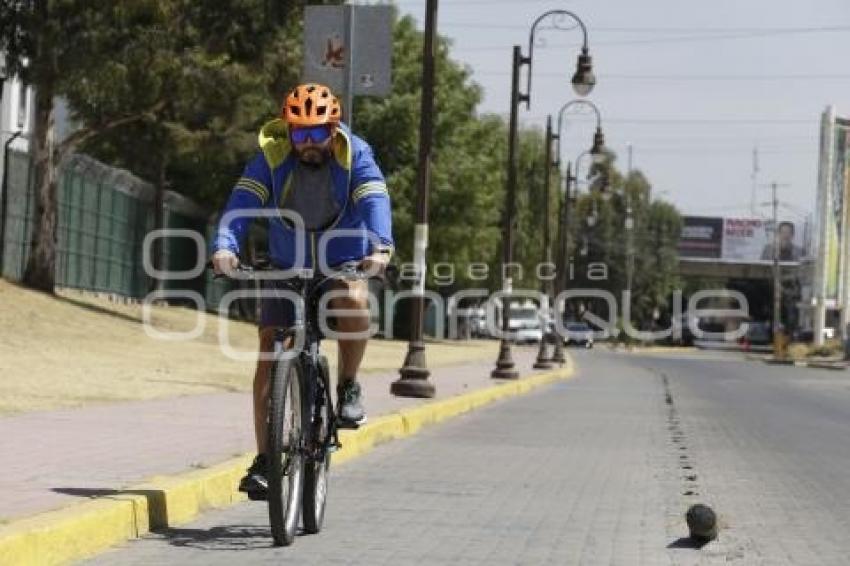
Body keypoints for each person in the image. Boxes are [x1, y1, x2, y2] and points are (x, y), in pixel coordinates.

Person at [210, 83, 393, 496]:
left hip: (342, 256)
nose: (307, 143)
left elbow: (375, 199)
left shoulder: (356, 156)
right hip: (286, 261)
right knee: (267, 357)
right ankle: (265, 459)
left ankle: (348, 385)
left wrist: (381, 248)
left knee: (353, 297)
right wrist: (225, 246)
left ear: (333, 129)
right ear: (287, 129)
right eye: (299, 133)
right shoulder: (272, 158)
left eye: (317, 133)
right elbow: (242, 202)